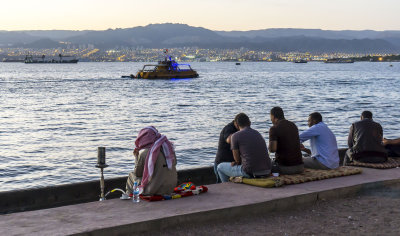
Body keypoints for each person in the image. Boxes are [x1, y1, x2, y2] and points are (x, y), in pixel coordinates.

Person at [217, 113, 271, 182]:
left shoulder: (235, 136)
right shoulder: (257, 133)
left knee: (220, 167)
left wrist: (237, 161)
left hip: (251, 172)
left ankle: (228, 188)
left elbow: (237, 160)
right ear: (249, 123)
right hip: (267, 170)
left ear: (236, 124)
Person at [126, 126, 177, 196]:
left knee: (131, 176)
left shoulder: (144, 153)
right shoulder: (168, 148)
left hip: (153, 190)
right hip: (170, 187)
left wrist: (136, 157)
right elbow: (174, 163)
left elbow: (138, 173)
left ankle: (130, 198)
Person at [268, 107, 304, 174]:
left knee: (263, 165)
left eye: (270, 117)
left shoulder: (274, 128)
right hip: (300, 167)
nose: (270, 119)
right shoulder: (293, 125)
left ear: (273, 116)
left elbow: (272, 149)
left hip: (285, 168)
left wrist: (269, 146)